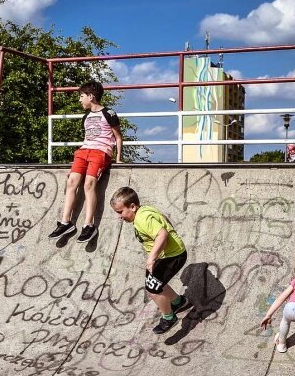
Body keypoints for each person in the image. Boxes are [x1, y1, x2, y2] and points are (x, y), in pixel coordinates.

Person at [48, 80, 123, 244]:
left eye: (82, 96)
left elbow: (118, 137)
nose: (80, 100)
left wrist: (118, 158)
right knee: (71, 182)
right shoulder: (86, 116)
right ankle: (65, 222)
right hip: (84, 151)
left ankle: (89, 225)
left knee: (89, 183)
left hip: (101, 151)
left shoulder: (109, 113)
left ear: (91, 96)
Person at [109, 187, 189, 334]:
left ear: (132, 206)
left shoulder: (142, 218)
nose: (119, 216)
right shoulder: (144, 212)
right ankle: (179, 302)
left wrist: (151, 258)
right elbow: (164, 220)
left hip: (173, 256)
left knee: (153, 289)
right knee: (155, 283)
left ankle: (169, 317)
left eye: (120, 212)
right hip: (166, 255)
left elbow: (162, 234)